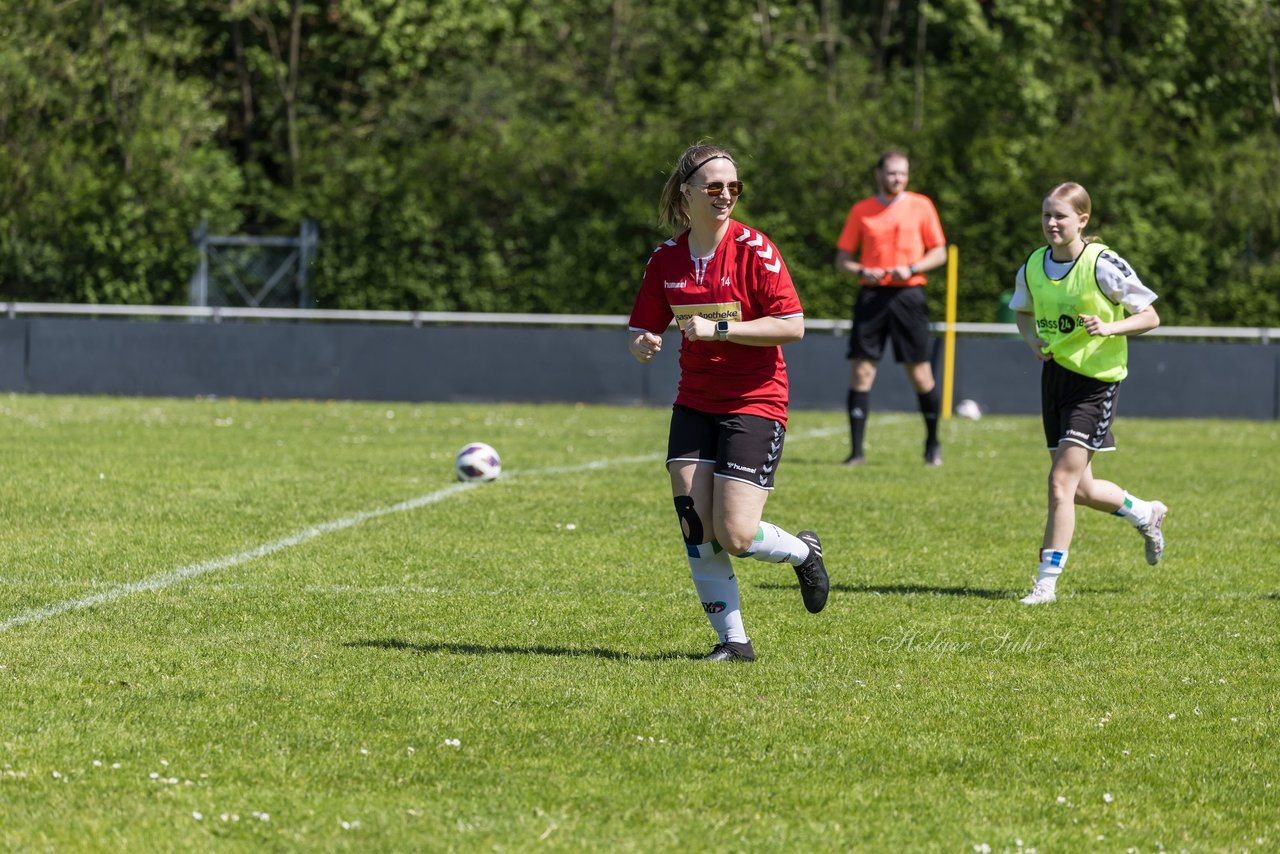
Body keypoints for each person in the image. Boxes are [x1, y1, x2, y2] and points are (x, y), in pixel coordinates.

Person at [627, 143, 829, 662]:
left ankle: (804, 552)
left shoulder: (755, 249)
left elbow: (793, 325)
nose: (724, 195)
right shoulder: (666, 259)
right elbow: (641, 328)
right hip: (695, 401)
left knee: (736, 534)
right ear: (686, 192)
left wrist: (719, 328)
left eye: (733, 187)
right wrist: (643, 342)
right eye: (713, 186)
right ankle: (733, 643)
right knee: (697, 527)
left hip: (755, 400)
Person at [1010, 182, 1168, 606]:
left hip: (1096, 384)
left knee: (1060, 483)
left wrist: (1109, 327)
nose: (1051, 223)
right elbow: (1022, 312)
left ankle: (1046, 583)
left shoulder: (1102, 264)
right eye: (1046, 214)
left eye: (1060, 215)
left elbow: (1150, 315)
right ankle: (1144, 512)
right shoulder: (1034, 265)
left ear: (1083, 219)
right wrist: (1032, 343)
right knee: (1080, 489)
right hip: (1056, 379)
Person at [835, 149, 949, 466]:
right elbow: (842, 258)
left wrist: (912, 268)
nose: (897, 179)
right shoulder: (861, 210)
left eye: (902, 173)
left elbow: (939, 252)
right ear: (879, 174)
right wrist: (861, 270)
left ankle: (932, 444)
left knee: (920, 372)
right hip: (872, 297)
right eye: (891, 173)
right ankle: (856, 452)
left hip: (909, 297)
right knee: (862, 370)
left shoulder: (921, 205)